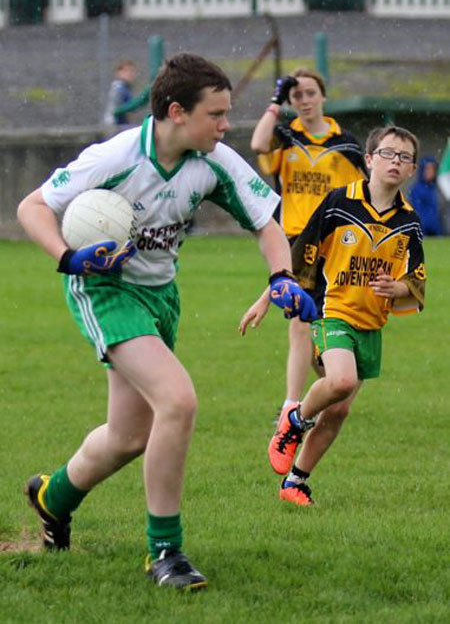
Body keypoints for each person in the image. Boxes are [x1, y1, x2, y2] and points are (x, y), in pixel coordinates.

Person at [18, 53, 316, 590]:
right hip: (105, 290)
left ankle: (52, 497)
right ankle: (165, 551)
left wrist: (281, 277)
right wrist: (68, 257)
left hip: (160, 295)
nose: (226, 126)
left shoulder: (214, 160)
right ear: (177, 111)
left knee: (130, 436)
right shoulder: (116, 157)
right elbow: (33, 206)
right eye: (216, 114)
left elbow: (267, 225)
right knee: (177, 401)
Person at [241, 125, 426, 507]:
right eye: (388, 154)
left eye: (404, 157)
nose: (396, 162)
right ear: (370, 160)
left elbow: (417, 279)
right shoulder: (339, 202)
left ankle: (297, 481)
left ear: (411, 170)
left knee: (339, 410)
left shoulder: (409, 221)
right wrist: (265, 298)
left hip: (371, 324)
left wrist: (398, 288)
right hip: (331, 312)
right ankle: (293, 421)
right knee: (340, 382)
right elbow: (297, 255)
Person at [248, 68, 366, 424]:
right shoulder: (286, 138)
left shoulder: (345, 145)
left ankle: (332, 387)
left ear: (323, 97)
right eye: (296, 95)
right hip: (293, 240)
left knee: (319, 323)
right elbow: (257, 144)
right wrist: (273, 103)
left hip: (331, 244)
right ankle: (292, 406)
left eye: (310, 93)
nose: (304, 101)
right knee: (300, 320)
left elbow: (361, 195)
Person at [103, 59, 149, 127]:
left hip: (121, 124)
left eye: (132, 71)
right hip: (113, 125)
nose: (130, 74)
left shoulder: (126, 88)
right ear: (118, 73)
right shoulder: (118, 88)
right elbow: (118, 109)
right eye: (126, 71)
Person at [408, 155, 443, 236]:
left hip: (435, 230)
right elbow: (417, 212)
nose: (430, 172)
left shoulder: (434, 188)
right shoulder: (416, 189)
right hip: (423, 230)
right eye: (427, 169)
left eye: (432, 169)